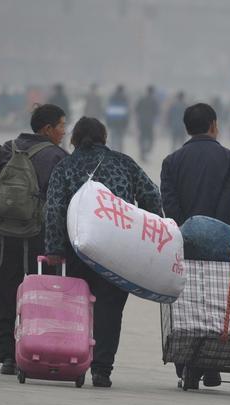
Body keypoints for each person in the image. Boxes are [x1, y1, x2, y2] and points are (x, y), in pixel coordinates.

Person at [45, 117, 162, 388]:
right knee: (110, 310)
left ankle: (76, 364)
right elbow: (151, 196)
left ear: (74, 139)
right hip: (118, 251)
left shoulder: (66, 166)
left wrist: (54, 248)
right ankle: (102, 369)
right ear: (104, 137)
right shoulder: (124, 163)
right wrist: (150, 228)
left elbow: (53, 209)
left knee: (77, 308)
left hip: (77, 249)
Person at [0, 104, 68, 375]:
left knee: (5, 292)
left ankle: (7, 355)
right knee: (37, 295)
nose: (64, 131)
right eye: (62, 125)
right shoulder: (57, 156)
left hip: (4, 234)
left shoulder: (7, 148)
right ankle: (32, 351)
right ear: (47, 128)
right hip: (38, 237)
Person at [161, 103, 230, 387]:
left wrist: (186, 234)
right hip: (219, 245)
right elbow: (227, 208)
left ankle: (187, 366)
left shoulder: (171, 162)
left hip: (182, 244)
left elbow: (169, 211)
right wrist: (219, 239)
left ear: (187, 127)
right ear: (213, 125)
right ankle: (210, 366)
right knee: (217, 305)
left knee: (186, 305)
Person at [135, 85, 160, 162]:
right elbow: (157, 112)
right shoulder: (154, 101)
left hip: (142, 122)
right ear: (152, 92)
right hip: (150, 122)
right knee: (150, 138)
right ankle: (147, 150)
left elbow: (136, 110)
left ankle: (142, 152)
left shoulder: (142, 99)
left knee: (142, 137)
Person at [105, 85, 130, 153]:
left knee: (113, 137)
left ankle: (113, 151)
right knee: (120, 138)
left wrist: (108, 121)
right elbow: (127, 112)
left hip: (113, 121)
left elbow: (108, 110)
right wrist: (127, 123)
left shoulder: (112, 97)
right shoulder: (125, 98)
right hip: (122, 122)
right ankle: (120, 151)